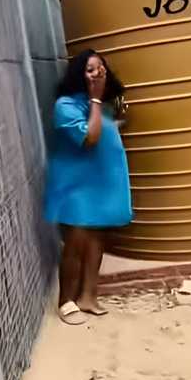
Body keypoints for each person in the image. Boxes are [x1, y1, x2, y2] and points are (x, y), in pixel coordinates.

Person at [43, 49, 132, 325]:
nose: (97, 73)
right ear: (78, 73)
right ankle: (66, 300)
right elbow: (89, 138)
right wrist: (95, 98)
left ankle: (88, 296)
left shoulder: (104, 104)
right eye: (91, 69)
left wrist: (110, 107)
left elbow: (111, 124)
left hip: (104, 177)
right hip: (76, 183)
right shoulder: (66, 106)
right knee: (76, 240)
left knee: (96, 238)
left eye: (101, 68)